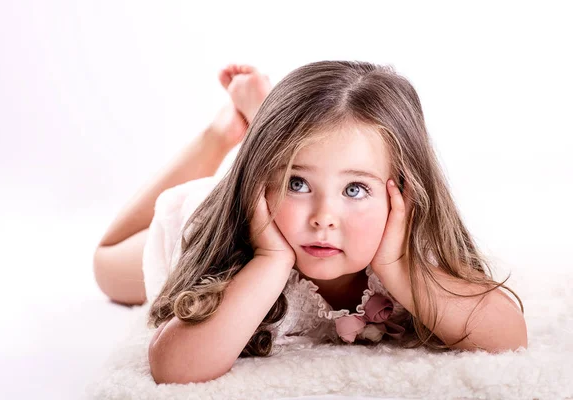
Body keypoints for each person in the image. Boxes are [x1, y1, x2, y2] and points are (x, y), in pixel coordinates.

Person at [94, 61, 528, 385]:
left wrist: (398, 269)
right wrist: (269, 259)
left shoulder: (405, 238)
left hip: (276, 170)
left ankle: (267, 123)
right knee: (106, 266)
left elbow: (509, 333)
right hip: (216, 207)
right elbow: (174, 368)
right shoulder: (228, 237)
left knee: (313, 153)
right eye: (298, 183)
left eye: (355, 189)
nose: (323, 218)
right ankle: (224, 134)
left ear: (404, 193)